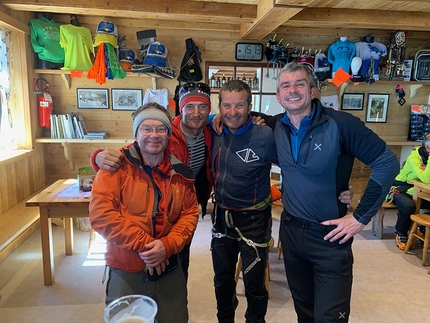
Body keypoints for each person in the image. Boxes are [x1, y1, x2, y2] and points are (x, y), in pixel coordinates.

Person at [264, 62, 399, 322]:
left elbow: (387, 161)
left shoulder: (341, 124)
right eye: (285, 86)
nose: (292, 90)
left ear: (313, 91)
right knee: (304, 311)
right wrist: (217, 120)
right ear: (279, 96)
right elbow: (239, 119)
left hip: (330, 237)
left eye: (300, 84)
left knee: (330, 317)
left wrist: (360, 217)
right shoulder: (275, 126)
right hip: (291, 233)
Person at [91, 82, 214, 282]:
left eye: (203, 107)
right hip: (153, 199)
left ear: (209, 110)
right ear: (181, 109)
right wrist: (97, 157)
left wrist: (166, 247)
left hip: (182, 203)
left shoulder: (211, 130)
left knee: (180, 268)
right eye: (189, 106)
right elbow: (140, 146)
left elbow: (237, 117)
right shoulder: (166, 131)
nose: (196, 113)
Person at [89, 102, 199, 323]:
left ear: (168, 135)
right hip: (126, 265)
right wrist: (148, 246)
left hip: (169, 263)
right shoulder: (115, 166)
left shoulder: (181, 172)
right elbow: (101, 215)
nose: (154, 135)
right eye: (146, 128)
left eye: (160, 129)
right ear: (136, 133)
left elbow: (189, 215)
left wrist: (166, 247)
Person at [210, 80, 278, 323]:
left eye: (239, 105)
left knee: (254, 284)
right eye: (226, 105)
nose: (232, 112)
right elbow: (186, 121)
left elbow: (296, 164)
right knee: (222, 281)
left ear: (250, 106)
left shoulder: (265, 135)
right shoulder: (213, 129)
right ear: (219, 107)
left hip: (254, 220)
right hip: (221, 217)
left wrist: (337, 188)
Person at [391, 135, 430, 250]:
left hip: (420, 190)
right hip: (400, 188)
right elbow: (426, 178)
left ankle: (422, 227)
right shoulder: (414, 158)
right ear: (428, 148)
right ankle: (401, 232)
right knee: (409, 206)